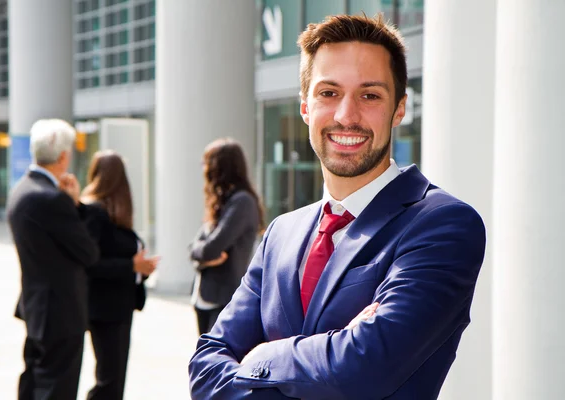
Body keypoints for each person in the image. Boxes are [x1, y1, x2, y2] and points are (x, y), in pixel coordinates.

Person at [188, 14, 486, 400]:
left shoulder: (442, 224)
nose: (347, 115)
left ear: (399, 108)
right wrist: (333, 352)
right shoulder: (282, 233)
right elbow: (205, 365)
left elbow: (367, 367)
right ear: (306, 108)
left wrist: (264, 357)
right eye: (329, 93)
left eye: (370, 95)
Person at [7, 119, 100, 400]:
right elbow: (89, 252)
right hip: (61, 312)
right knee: (57, 387)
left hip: (36, 307)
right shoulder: (52, 199)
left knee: (34, 381)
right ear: (63, 157)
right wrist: (75, 204)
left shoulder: (21, 190)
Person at [79, 150, 159, 400]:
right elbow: (89, 263)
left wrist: (141, 270)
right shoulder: (95, 211)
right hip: (105, 309)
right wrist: (131, 267)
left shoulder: (113, 213)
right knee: (109, 382)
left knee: (113, 380)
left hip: (117, 306)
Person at [189, 138, 264, 335]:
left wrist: (201, 254)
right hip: (206, 298)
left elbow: (209, 248)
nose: (204, 169)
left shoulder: (242, 202)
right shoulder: (222, 201)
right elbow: (195, 250)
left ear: (220, 167)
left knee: (214, 362)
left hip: (224, 299)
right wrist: (202, 259)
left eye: (207, 163)